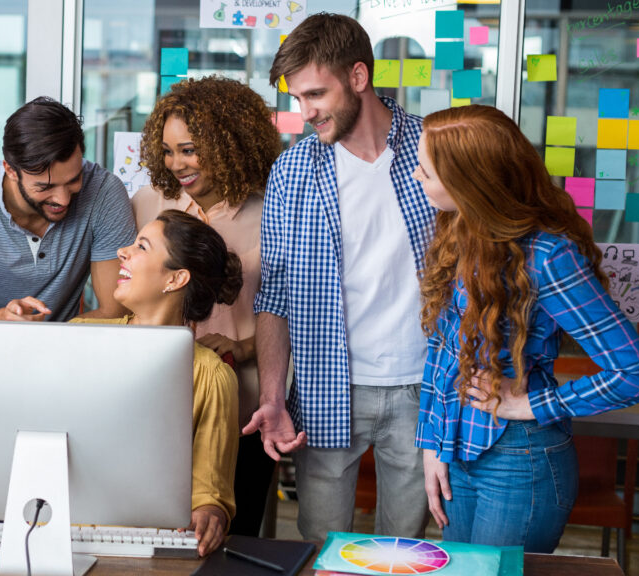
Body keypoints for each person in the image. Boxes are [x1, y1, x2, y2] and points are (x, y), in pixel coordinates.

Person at [414, 105, 639, 552]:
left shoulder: (549, 256)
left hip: (519, 461)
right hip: (457, 453)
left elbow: (633, 372)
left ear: (470, 181)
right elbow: (441, 354)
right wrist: (432, 445)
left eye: (427, 170)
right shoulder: (456, 230)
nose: (417, 177)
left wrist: (533, 404)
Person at [243, 12, 437, 541]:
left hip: (426, 388)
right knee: (322, 550)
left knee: (406, 553)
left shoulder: (436, 150)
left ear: (357, 77)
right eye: (297, 99)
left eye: (314, 95)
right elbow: (275, 295)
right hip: (330, 385)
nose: (305, 113)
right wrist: (274, 397)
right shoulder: (294, 170)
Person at [132, 75, 281, 536]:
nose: (177, 164)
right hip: (156, 404)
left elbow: (298, 314)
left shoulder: (275, 212)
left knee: (231, 539)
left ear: (231, 143)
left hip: (243, 407)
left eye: (190, 149)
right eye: (169, 150)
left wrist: (244, 346)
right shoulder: (147, 204)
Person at [71, 209, 240, 556]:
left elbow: (210, 491)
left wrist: (210, 513)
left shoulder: (212, 376)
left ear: (176, 279)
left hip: (149, 551)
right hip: (64, 538)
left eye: (142, 247)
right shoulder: (77, 339)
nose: (122, 252)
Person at [0, 96, 135, 322]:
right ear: (10, 170)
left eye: (74, 180)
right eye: (45, 186)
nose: (63, 199)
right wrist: (0, 321)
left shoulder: (104, 192)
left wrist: (42, 339)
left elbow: (116, 313)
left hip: (67, 350)